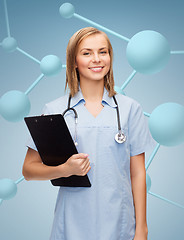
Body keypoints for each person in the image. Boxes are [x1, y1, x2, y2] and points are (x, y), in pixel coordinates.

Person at [22, 27, 155, 240]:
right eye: (87, 53)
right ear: (74, 61)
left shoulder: (130, 109)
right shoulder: (54, 110)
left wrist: (142, 229)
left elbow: (138, 173)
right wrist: (64, 169)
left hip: (120, 223)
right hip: (71, 221)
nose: (97, 59)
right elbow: (29, 170)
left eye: (103, 52)